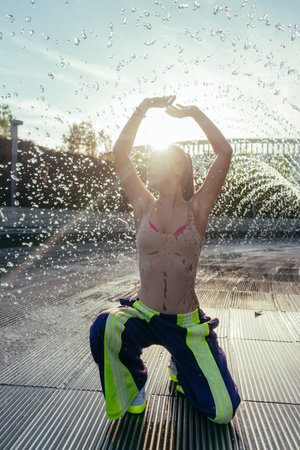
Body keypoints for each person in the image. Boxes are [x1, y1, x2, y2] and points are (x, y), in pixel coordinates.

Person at [89, 95, 241, 423]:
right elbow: (120, 153)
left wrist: (193, 112)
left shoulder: (197, 209)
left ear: (174, 166)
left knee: (223, 411)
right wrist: (143, 108)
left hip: (185, 323)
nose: (146, 167)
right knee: (105, 327)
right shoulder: (143, 206)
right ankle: (134, 385)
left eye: (154, 162)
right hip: (144, 313)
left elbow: (224, 153)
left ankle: (182, 368)